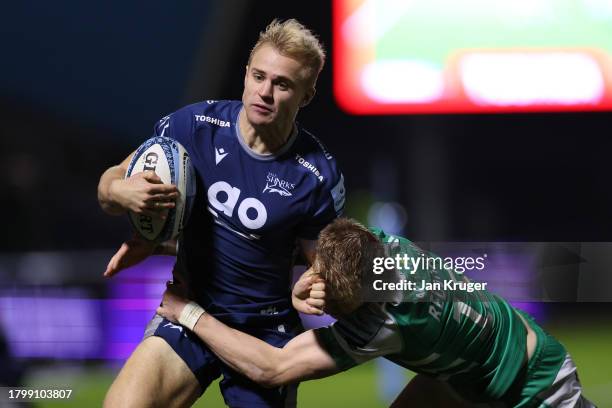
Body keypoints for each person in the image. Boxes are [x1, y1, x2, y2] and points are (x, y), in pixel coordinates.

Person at [97, 19, 345, 408]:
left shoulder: (316, 176)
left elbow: (324, 269)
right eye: (259, 76)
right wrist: (120, 190)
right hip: (187, 310)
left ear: (307, 96)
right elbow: (109, 185)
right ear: (245, 74)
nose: (265, 92)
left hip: (264, 335)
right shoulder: (194, 127)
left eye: (282, 84)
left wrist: (317, 284)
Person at [157, 218, 595, 408]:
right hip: (465, 374)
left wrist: (188, 311)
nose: (333, 311)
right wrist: (302, 287)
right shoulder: (375, 244)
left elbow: (273, 368)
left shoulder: (387, 322)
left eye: (343, 308)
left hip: (535, 384)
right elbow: (318, 260)